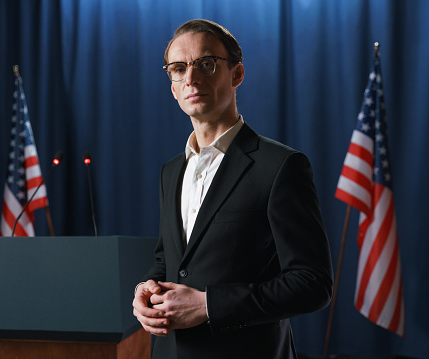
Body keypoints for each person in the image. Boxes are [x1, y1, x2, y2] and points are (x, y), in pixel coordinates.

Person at [133, 19, 333, 359]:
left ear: (236, 74)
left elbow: (312, 284)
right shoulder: (171, 171)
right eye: (179, 69)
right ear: (173, 86)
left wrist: (209, 305)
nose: (192, 79)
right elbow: (170, 261)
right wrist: (144, 290)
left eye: (206, 64)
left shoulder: (281, 165)